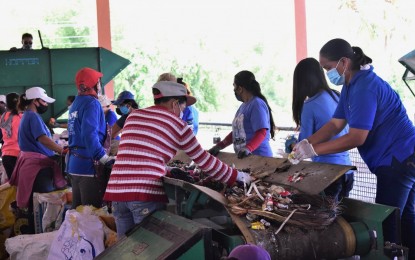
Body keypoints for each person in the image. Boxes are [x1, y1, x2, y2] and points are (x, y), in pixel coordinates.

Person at [292, 38, 415, 256]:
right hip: (401, 157)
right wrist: (308, 142)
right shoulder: (351, 85)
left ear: (344, 62)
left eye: (328, 68)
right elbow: (335, 124)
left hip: (399, 159)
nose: (327, 73)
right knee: (405, 217)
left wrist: (315, 151)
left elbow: (357, 137)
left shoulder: (365, 88)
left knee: (388, 221)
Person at [103, 81, 251, 238]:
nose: (183, 111)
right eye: (182, 107)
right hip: (142, 194)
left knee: (124, 250)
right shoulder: (178, 125)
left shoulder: (133, 116)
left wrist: (168, 169)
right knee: (148, 248)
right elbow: (205, 160)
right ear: (174, 103)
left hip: (117, 192)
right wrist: (238, 177)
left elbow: (137, 155)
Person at [289, 57, 354, 201]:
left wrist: (291, 145)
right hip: (347, 171)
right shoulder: (336, 95)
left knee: (326, 220)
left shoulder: (310, 105)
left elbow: (304, 145)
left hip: (327, 175)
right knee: (341, 217)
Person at [9, 87, 67, 233]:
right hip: (37, 168)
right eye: (44, 101)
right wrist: (61, 150)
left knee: (34, 206)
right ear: (35, 101)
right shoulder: (32, 116)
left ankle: (36, 233)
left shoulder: (29, 115)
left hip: (32, 165)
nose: (46, 105)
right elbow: (42, 138)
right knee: (41, 206)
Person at [66, 67, 114, 210]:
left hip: (74, 165)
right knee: (91, 216)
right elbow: (89, 134)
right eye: (98, 82)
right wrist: (103, 158)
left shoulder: (75, 103)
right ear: (93, 84)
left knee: (78, 215)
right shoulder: (92, 103)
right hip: (88, 166)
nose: (99, 85)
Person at [208, 70, 276, 159]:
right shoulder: (243, 106)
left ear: (240, 89)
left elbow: (261, 132)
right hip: (246, 158)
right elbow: (237, 132)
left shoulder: (257, 104)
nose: (233, 90)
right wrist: (220, 146)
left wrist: (248, 148)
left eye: (234, 86)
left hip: (260, 157)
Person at [0, 93, 22, 180]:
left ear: (6, 104)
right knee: (23, 185)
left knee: (14, 185)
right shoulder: (21, 117)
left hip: (6, 155)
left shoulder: (3, 117)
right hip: (18, 154)